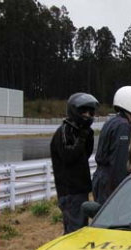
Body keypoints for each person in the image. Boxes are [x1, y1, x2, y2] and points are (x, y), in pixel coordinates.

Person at [92, 86, 131, 204]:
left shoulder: (112, 122)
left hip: (101, 178)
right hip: (109, 181)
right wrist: (122, 189)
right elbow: (118, 162)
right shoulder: (123, 126)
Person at [50, 92, 98, 234]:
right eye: (84, 111)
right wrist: (82, 137)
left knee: (80, 230)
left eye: (90, 112)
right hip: (70, 193)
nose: (88, 115)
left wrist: (86, 135)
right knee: (75, 232)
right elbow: (69, 156)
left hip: (79, 190)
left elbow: (84, 155)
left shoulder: (80, 131)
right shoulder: (65, 131)